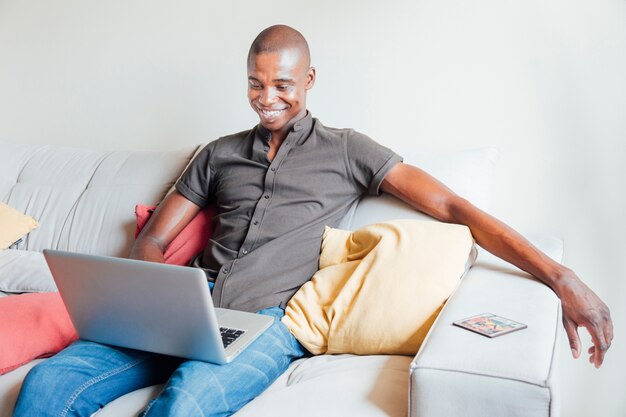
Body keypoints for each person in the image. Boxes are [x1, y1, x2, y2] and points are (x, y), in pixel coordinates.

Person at [14, 24, 612, 417]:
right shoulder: (218, 154)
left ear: (309, 81)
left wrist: (559, 277)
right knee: (45, 386)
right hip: (184, 310)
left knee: (184, 404)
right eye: (255, 83)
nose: (266, 96)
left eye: (281, 84)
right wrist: (163, 298)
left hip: (268, 321)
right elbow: (153, 240)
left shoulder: (348, 149)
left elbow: (455, 209)